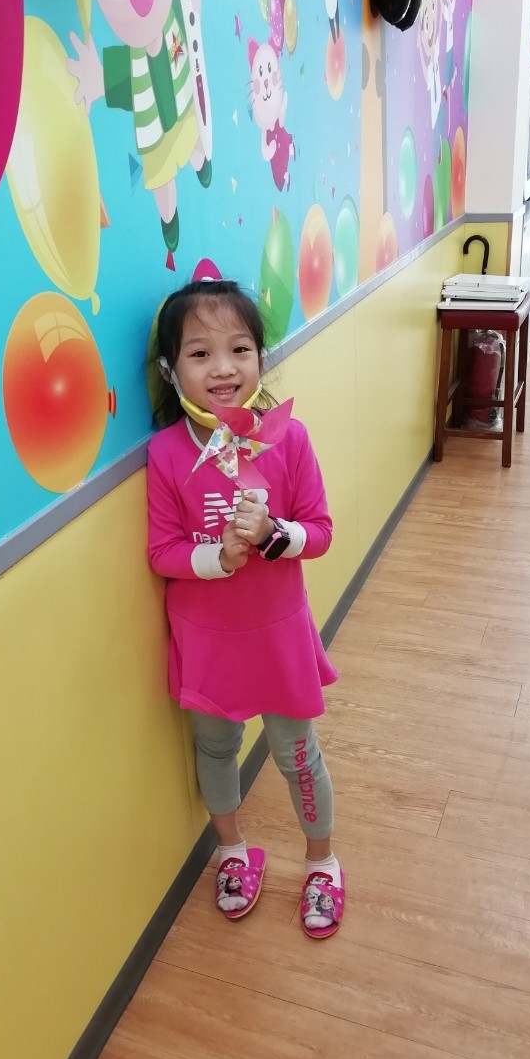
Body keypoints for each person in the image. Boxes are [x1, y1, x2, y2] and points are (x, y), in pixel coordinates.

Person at [146, 279, 345, 939]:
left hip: (276, 635)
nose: (223, 368)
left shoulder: (291, 440)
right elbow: (163, 552)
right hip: (206, 637)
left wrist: (272, 534)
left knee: (297, 754)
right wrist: (219, 558)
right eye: (199, 354)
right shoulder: (165, 453)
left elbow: (320, 531)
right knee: (216, 746)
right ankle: (232, 851)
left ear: (261, 357)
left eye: (239, 349)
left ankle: (322, 861)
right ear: (171, 370)